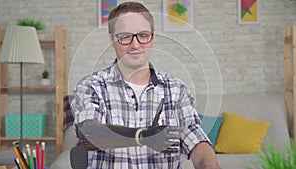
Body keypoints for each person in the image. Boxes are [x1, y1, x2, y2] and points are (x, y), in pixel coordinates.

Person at [71, 1, 221, 169]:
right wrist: (143, 136)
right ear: (112, 40)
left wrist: (209, 165)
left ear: (152, 37)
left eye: (143, 35)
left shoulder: (176, 90)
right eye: (125, 37)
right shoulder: (92, 87)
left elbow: (195, 140)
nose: (135, 45)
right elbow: (89, 134)